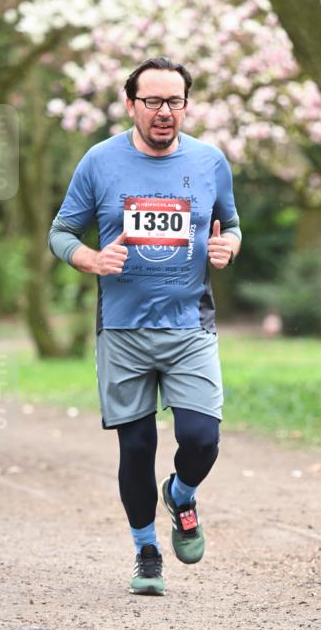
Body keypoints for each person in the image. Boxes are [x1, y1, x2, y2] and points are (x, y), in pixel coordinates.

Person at [47, 56, 241, 597]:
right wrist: (89, 259)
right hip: (124, 330)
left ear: (186, 106)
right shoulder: (99, 162)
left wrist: (229, 245)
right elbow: (61, 231)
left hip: (189, 327)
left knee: (202, 438)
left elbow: (232, 223)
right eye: (152, 101)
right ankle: (145, 551)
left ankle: (181, 492)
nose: (163, 112)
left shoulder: (210, 162)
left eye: (174, 101)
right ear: (130, 104)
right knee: (135, 448)